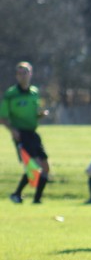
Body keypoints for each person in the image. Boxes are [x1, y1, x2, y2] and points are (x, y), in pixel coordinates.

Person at [1, 62, 50, 204]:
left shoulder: (34, 91)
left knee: (45, 166)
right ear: (16, 76)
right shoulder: (11, 94)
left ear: (31, 74)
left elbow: (35, 112)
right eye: (20, 73)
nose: (23, 76)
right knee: (34, 165)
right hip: (21, 134)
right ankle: (16, 194)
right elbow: (2, 117)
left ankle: (37, 200)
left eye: (25, 73)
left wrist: (41, 115)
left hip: (33, 133)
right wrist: (12, 130)